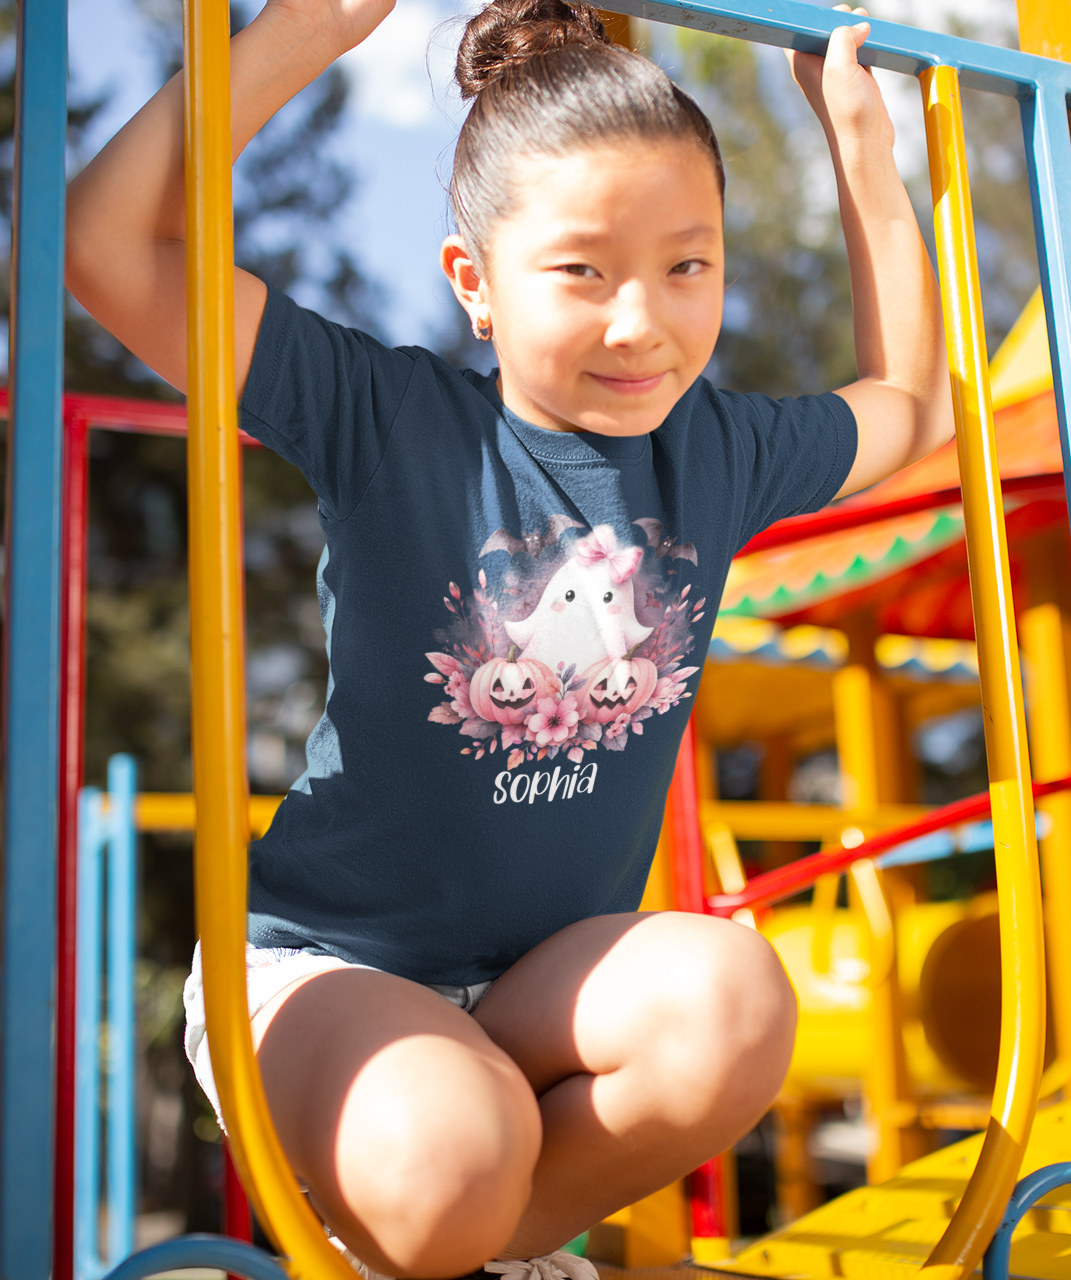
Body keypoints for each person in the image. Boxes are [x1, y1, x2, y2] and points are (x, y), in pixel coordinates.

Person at [65, 0, 952, 1275]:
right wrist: (307, 32)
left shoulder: (713, 453)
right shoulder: (392, 419)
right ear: (473, 283)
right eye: (583, 270)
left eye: (688, 265)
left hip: (536, 992)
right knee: (451, 1147)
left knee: (734, 995)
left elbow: (910, 408)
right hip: (325, 966)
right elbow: (106, 245)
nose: (639, 321)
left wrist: (860, 148)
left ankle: (495, 1244)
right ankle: (449, 1217)